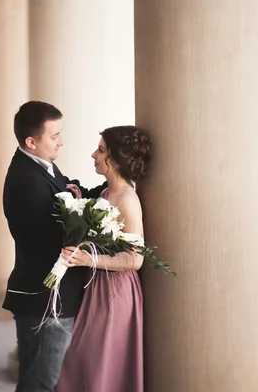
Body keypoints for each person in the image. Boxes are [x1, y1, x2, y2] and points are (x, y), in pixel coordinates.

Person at [2, 101, 106, 392]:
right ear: (31, 142)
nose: (62, 142)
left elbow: (65, 192)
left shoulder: (40, 165)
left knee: (40, 381)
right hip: (45, 298)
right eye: (55, 136)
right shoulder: (26, 181)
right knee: (43, 383)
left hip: (50, 296)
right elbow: (53, 240)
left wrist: (108, 190)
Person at [55, 125, 150, 392]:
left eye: (101, 150)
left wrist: (88, 259)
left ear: (117, 159)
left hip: (116, 293)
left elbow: (135, 259)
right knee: (82, 363)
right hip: (97, 287)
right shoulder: (106, 194)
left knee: (100, 366)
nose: (93, 155)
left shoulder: (127, 199)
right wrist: (79, 206)